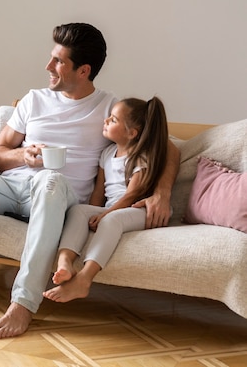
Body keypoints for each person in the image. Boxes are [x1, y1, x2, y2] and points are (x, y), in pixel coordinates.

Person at [0, 23, 180, 339]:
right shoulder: (34, 100)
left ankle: (23, 302)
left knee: (50, 179)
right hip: (10, 190)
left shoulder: (108, 107)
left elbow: (167, 146)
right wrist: (25, 156)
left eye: (58, 61)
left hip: (56, 196)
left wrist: (163, 191)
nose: (48, 66)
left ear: (83, 70)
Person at [43, 97, 170, 303]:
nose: (106, 121)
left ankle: (84, 278)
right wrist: (93, 212)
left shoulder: (141, 157)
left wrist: (105, 215)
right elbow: (98, 192)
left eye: (113, 120)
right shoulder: (107, 153)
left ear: (131, 133)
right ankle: (65, 261)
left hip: (138, 210)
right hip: (112, 208)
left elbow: (132, 195)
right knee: (78, 210)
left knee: (112, 220)